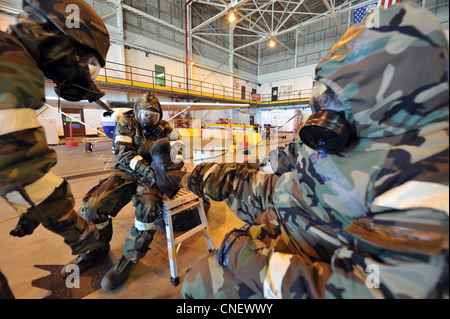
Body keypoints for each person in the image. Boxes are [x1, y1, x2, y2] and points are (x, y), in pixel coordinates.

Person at [151, 3, 449, 299]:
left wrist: (247, 258)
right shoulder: (351, 128)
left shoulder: (426, 178)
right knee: (231, 177)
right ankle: (177, 177)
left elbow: (368, 290)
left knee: (196, 286)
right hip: (293, 200)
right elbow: (293, 154)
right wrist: (261, 166)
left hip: (314, 247)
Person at [0, 0, 110, 298]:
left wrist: (29, 207)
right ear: (66, 39)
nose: (86, 72)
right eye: (88, 61)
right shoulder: (9, 62)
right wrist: (81, 234)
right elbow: (21, 171)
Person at [61, 92, 177, 292]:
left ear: (159, 116)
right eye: (145, 115)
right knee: (92, 207)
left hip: (152, 177)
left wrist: (170, 163)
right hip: (127, 171)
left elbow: (174, 153)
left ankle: (130, 257)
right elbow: (123, 151)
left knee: (147, 209)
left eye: (153, 116)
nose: (149, 120)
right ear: (137, 112)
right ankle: (96, 249)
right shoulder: (127, 121)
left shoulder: (166, 128)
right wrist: (144, 167)